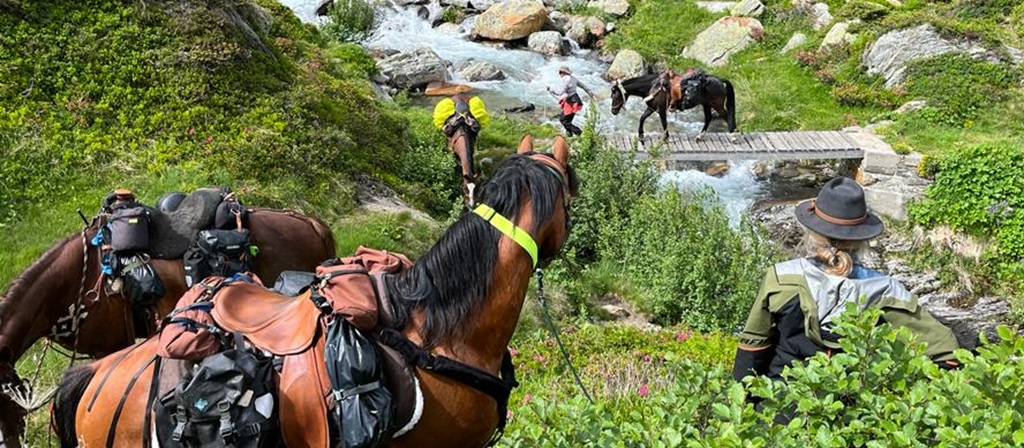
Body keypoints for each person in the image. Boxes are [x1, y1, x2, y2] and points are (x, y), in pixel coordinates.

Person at [733, 177, 960, 387]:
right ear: (863, 238)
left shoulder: (781, 278)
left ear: (812, 232)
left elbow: (753, 347)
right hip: (852, 412)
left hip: (781, 404)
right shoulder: (886, 290)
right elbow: (947, 352)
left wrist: (746, 402)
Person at [546, 66, 593, 137]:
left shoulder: (566, 80)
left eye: (560, 72)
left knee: (563, 120)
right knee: (566, 120)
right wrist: (589, 92)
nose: (559, 74)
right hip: (575, 100)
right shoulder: (573, 78)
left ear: (563, 73)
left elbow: (559, 92)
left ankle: (579, 133)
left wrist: (550, 89)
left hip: (571, 102)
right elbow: (582, 86)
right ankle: (570, 135)